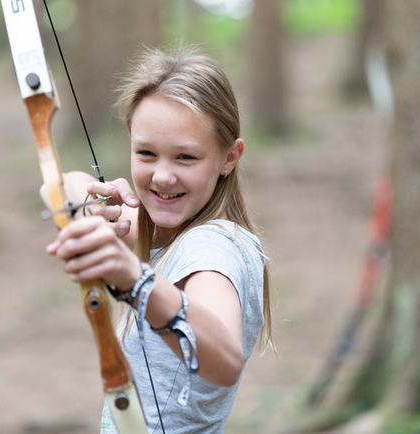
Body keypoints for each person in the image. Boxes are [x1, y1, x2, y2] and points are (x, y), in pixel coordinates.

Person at [44, 46, 273, 433]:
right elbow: (58, 186)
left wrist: (134, 278)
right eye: (147, 153)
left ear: (230, 157)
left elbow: (225, 360)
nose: (163, 176)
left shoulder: (213, 248)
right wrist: (88, 206)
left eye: (185, 157)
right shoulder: (157, 228)